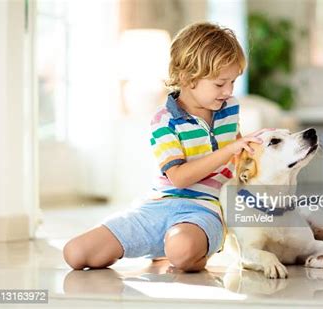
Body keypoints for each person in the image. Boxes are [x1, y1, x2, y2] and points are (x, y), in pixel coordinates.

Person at [63, 21, 266, 272]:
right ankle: (162, 245)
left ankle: (179, 248)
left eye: (232, 82)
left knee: (181, 250)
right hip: (158, 205)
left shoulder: (229, 109)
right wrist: (227, 151)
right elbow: (179, 178)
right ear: (187, 77)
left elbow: (237, 156)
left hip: (204, 209)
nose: (228, 91)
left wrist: (257, 146)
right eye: (219, 83)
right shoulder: (163, 120)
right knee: (75, 253)